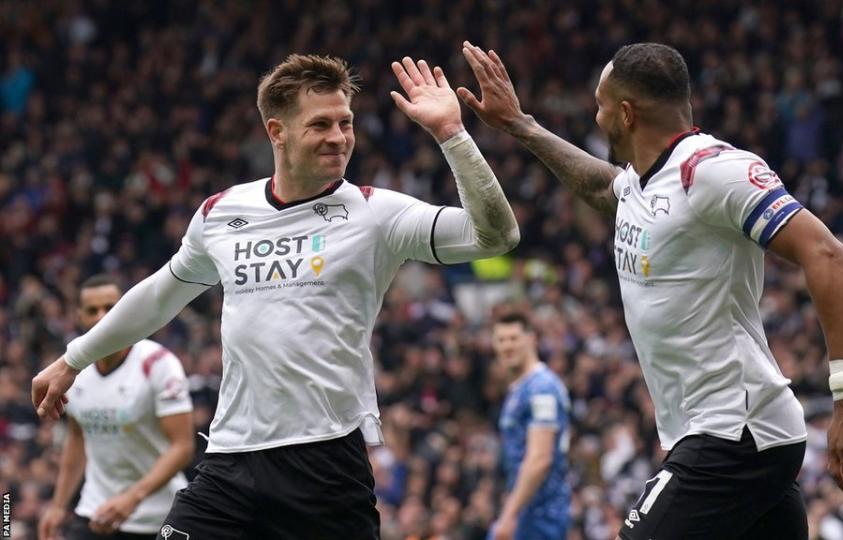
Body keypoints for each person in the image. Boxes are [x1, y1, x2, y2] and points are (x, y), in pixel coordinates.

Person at [32, 53, 520, 539]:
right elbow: (161, 295)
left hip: (325, 463)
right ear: (276, 132)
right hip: (230, 458)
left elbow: (495, 237)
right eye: (320, 124)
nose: (338, 137)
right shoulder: (221, 212)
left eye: (345, 122)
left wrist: (451, 136)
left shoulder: (376, 213)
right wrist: (73, 359)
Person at [457, 41, 843, 539]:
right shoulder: (643, 181)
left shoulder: (711, 170)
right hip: (735, 435)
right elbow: (603, 189)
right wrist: (519, 125)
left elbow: (829, 255)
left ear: (625, 113)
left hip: (733, 434)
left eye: (599, 107)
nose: (596, 119)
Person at [38, 275, 194, 540]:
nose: (102, 317)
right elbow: (77, 438)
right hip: (95, 511)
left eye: (111, 308)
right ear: (79, 316)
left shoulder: (159, 363)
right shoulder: (72, 372)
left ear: (125, 310)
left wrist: (132, 498)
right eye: (92, 310)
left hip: (156, 516)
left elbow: (183, 446)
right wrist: (58, 505)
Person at [489, 312, 571, 540]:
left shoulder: (541, 388)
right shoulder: (519, 388)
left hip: (541, 514)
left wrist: (508, 514)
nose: (507, 346)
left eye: (513, 338)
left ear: (531, 339)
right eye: (501, 339)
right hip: (526, 510)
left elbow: (540, 459)